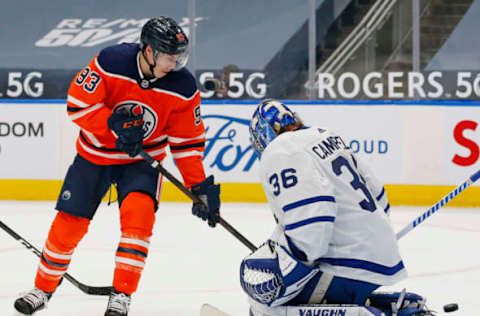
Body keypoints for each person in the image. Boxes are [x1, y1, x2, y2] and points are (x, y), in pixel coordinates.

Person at [14, 16, 220, 316]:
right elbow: (77, 104)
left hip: (141, 164)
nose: (173, 63)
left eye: (178, 57)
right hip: (94, 157)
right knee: (67, 227)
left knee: (138, 225)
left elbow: (186, 143)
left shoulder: (183, 86)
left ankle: (122, 294)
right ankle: (42, 288)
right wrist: (112, 126)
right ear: (148, 51)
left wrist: (198, 186)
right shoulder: (111, 61)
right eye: (167, 56)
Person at [240, 99, 433, 316]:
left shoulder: (280, 150)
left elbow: (313, 219)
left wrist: (292, 267)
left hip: (347, 262)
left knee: (264, 300)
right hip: (377, 255)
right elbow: (380, 197)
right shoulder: (324, 136)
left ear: (262, 134)